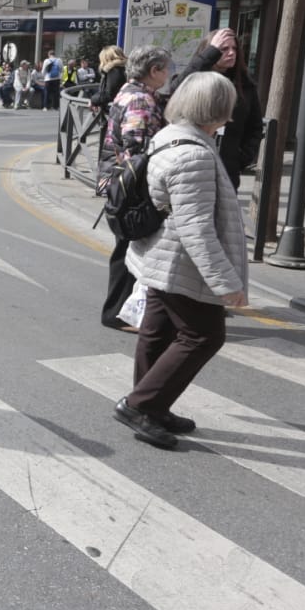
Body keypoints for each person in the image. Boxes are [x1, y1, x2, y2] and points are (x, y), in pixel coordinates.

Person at [115, 71, 248, 450]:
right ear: (218, 108)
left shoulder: (169, 136)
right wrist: (226, 283)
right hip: (180, 263)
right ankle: (141, 404)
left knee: (157, 331)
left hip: (160, 255)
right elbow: (196, 230)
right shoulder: (194, 155)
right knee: (204, 335)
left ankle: (152, 406)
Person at [100, 46, 172, 331]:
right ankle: (119, 313)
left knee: (129, 246)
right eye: (166, 68)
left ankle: (124, 311)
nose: (169, 74)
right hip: (132, 186)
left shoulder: (131, 92)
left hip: (122, 181)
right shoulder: (141, 99)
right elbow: (137, 148)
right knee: (130, 247)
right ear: (154, 70)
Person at [170, 29, 264, 190]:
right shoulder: (195, 79)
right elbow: (177, 88)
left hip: (228, 167)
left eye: (234, 48)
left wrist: (242, 157)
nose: (231, 53)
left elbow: (255, 126)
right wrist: (211, 52)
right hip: (192, 163)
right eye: (224, 49)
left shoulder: (245, 85)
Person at [91, 45, 127, 116]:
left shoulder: (114, 71)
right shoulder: (123, 69)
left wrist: (93, 100)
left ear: (106, 59)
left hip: (117, 112)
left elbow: (110, 94)